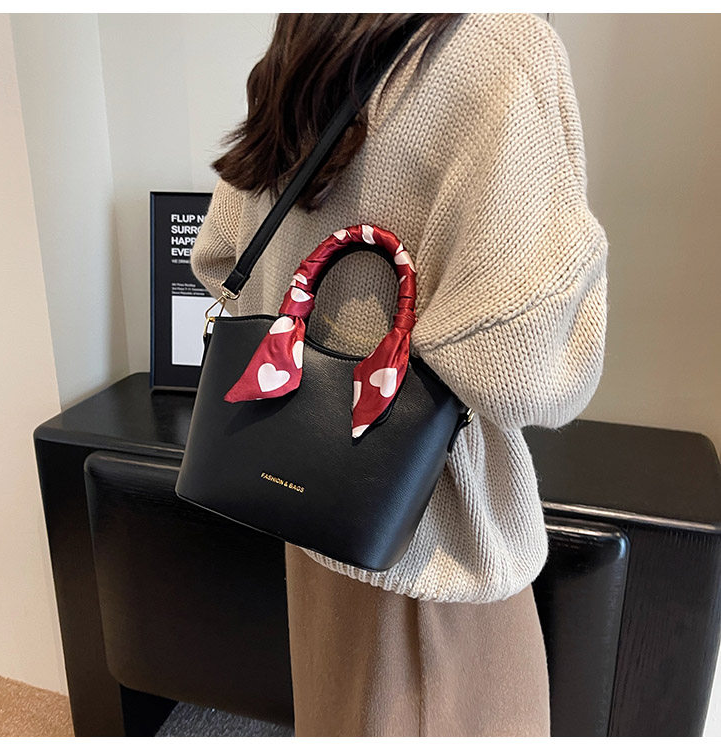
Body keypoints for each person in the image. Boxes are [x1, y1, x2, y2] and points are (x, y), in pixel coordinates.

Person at [190, 12, 608, 737]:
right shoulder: (502, 48)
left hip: (310, 519)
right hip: (434, 546)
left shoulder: (306, 38)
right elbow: (528, 371)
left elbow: (222, 258)